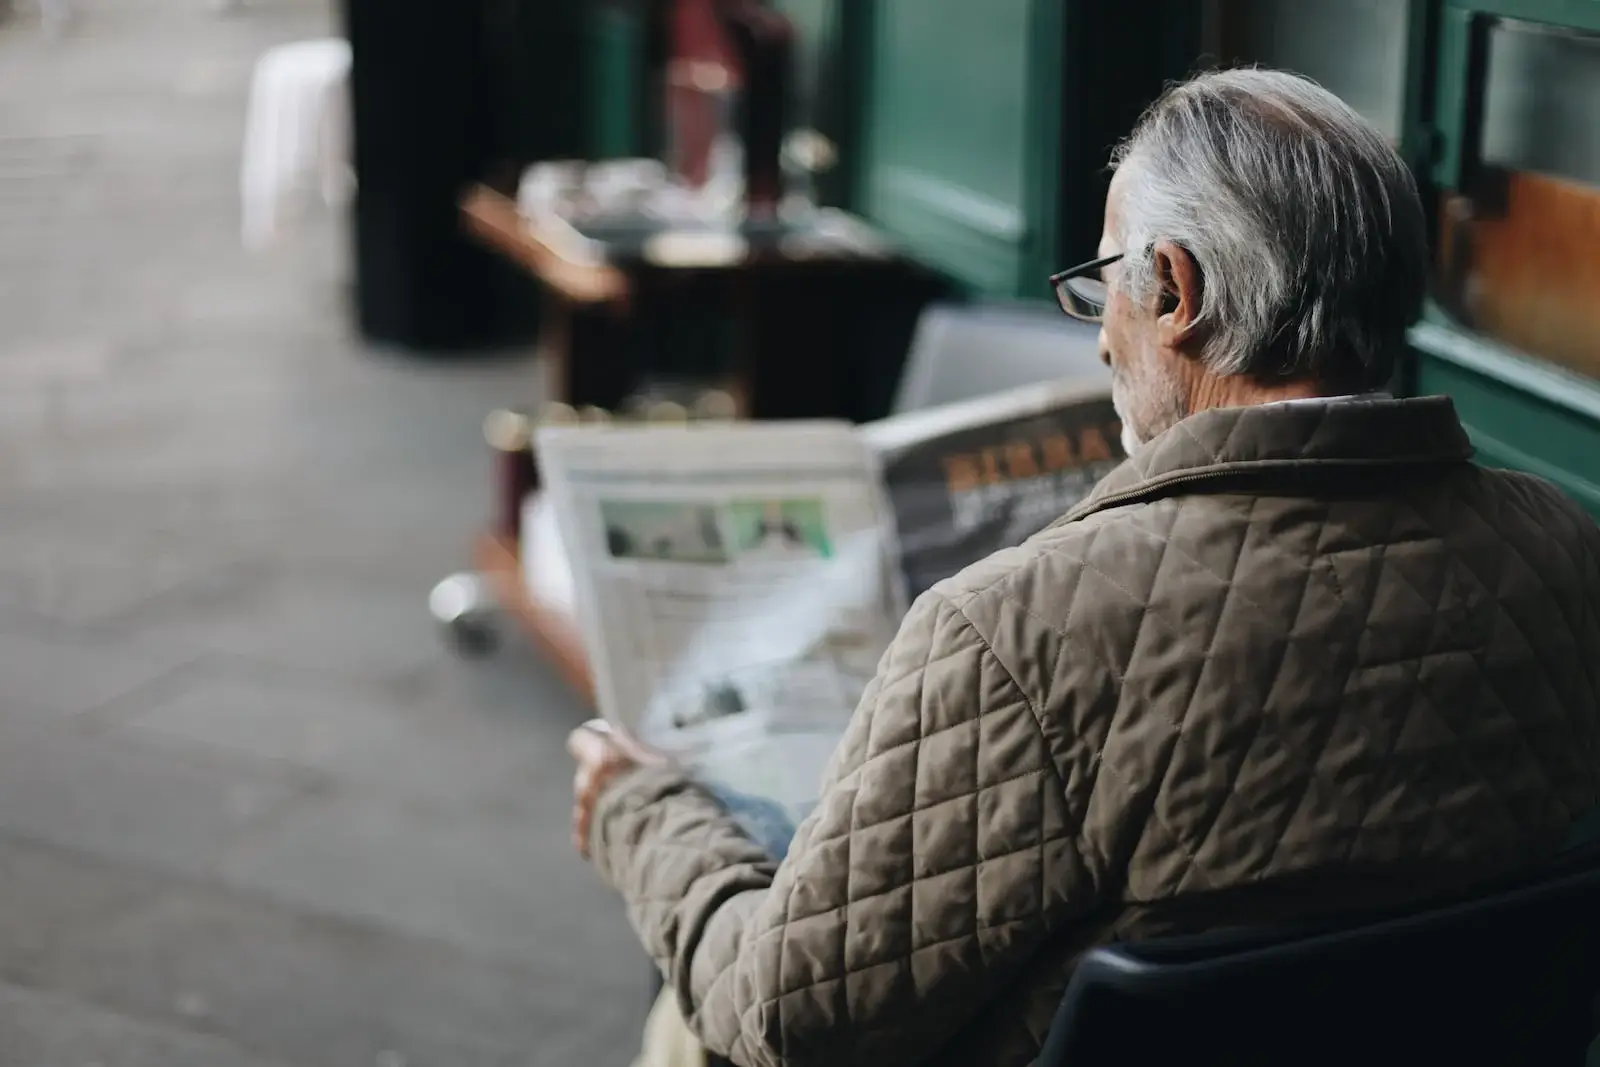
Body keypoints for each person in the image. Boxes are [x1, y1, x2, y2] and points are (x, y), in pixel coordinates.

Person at [566, 68, 1600, 1067]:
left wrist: (638, 810)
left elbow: (786, 1021)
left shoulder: (1016, 633)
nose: (1102, 339)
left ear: (1176, 288)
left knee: (694, 1003)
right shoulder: (1564, 549)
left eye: (1106, 278)